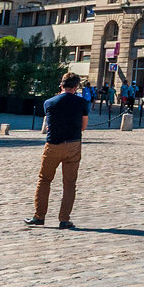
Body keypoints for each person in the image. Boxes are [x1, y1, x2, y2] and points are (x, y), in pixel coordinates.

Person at [26, 73, 91, 229]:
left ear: (61, 85)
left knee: (44, 179)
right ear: (76, 87)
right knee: (69, 183)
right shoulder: (82, 102)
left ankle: (39, 216)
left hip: (53, 144)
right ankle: (64, 219)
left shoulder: (49, 102)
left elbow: (49, 123)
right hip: (73, 144)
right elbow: (83, 126)